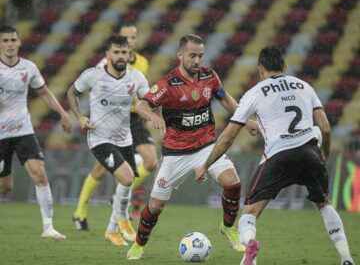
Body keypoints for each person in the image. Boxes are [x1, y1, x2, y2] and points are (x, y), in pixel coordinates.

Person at [195, 46, 355, 265]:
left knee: (250, 212)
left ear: (260, 70)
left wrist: (206, 164)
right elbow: (325, 128)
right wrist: (324, 154)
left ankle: (250, 246)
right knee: (324, 203)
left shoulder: (255, 92)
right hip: (310, 150)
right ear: (285, 66)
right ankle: (346, 257)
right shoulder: (304, 86)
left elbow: (228, 137)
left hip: (278, 155)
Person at [126, 34, 260, 260]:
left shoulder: (209, 76)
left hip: (206, 146)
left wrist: (245, 119)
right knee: (156, 206)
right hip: (175, 153)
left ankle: (227, 228)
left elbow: (225, 99)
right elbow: (142, 105)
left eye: (200, 56)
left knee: (233, 184)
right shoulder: (167, 84)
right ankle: (139, 244)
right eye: (192, 56)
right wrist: (153, 117)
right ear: (180, 55)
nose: (197, 61)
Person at [67, 35, 160, 247]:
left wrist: (154, 114)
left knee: (126, 182)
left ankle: (111, 230)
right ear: (108, 55)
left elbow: (147, 103)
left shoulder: (137, 77)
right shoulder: (93, 76)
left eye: (123, 52)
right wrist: (80, 117)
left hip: (125, 137)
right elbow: (72, 92)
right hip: (100, 138)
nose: (120, 56)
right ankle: (122, 217)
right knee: (127, 178)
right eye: (116, 52)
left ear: (129, 54)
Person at [0, 24, 72, 239]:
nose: (10, 44)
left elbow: (45, 93)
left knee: (40, 173)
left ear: (19, 42)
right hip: (1, 134)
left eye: (13, 40)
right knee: (5, 187)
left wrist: (63, 114)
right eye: (5, 41)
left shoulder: (29, 68)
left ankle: (48, 227)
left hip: (23, 130)